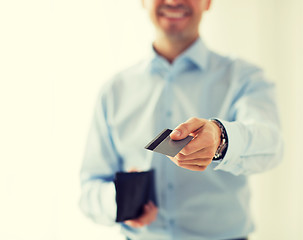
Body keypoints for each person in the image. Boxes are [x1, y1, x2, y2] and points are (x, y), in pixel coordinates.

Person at [79, 0, 283, 239]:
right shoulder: (114, 90)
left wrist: (220, 138)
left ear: (208, 2)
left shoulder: (245, 78)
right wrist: (120, 200)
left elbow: (271, 145)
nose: (174, 1)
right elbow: (89, 189)